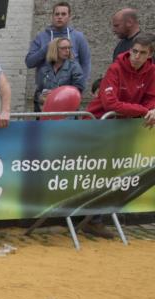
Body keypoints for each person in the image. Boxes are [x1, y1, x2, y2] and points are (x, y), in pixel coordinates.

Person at [82, 33, 155, 238]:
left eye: (142, 53)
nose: (136, 56)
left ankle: (95, 219)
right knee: (96, 174)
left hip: (123, 128)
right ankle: (88, 218)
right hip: (98, 125)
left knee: (116, 174)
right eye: (134, 51)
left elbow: (152, 98)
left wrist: (152, 109)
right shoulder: (116, 68)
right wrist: (143, 111)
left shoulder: (151, 71)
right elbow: (110, 104)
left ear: (149, 55)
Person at [25, 2, 91, 87]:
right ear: (52, 16)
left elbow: (86, 63)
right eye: (57, 14)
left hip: (70, 91)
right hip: (45, 92)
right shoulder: (41, 37)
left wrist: (80, 87)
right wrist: (47, 48)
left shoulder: (78, 37)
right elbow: (29, 63)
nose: (60, 17)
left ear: (69, 17)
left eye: (63, 14)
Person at [35, 37, 85, 111]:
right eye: (63, 48)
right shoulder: (44, 69)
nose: (67, 50)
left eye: (69, 48)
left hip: (67, 112)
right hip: (48, 111)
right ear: (54, 49)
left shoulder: (74, 67)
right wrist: (41, 98)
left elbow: (78, 90)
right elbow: (38, 91)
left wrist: (56, 94)